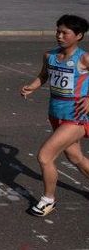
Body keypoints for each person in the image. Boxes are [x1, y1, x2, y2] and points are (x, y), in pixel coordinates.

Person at [20, 14, 89, 217]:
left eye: (65, 33)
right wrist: (31, 87)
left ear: (79, 36)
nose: (59, 36)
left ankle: (48, 200)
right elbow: (43, 76)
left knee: (44, 156)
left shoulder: (84, 58)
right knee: (75, 156)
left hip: (76, 116)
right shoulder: (49, 55)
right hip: (55, 114)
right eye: (58, 31)